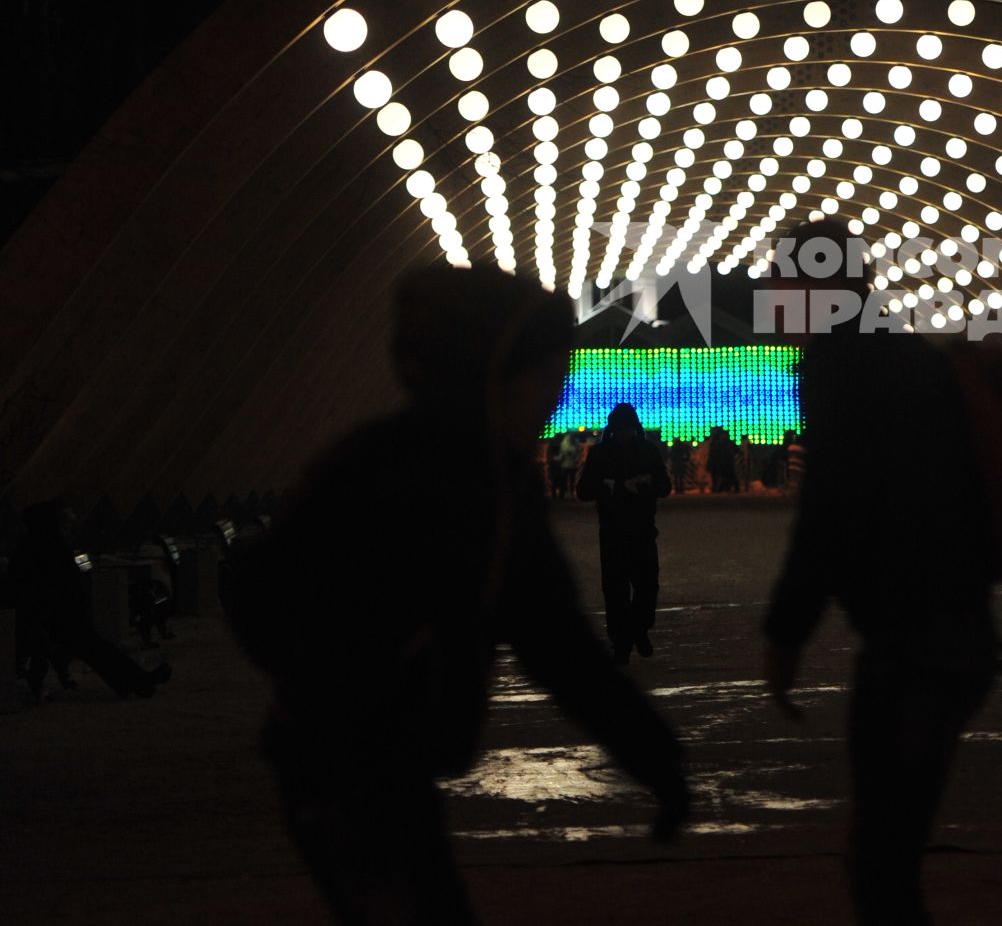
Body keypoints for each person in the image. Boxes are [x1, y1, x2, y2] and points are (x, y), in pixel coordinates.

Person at [229, 264, 689, 925]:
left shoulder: (443, 467)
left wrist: (652, 755)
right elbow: (553, 641)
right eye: (548, 378)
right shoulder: (438, 477)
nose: (555, 399)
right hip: (347, 765)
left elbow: (552, 638)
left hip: (366, 761)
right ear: (494, 374)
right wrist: (360, 676)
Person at [761, 219, 999, 926]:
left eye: (783, 278)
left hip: (920, 640)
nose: (773, 293)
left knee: (880, 858)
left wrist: (784, 633)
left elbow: (830, 509)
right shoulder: (904, 355)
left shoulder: (845, 364)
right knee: (886, 850)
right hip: (949, 630)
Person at [11, 501, 173, 699]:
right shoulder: (51, 547)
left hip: (52, 614)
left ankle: (136, 682)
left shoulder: (34, 547)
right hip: (54, 615)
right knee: (96, 649)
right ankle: (138, 682)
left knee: (96, 649)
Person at [577, 403, 668, 662]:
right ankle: (623, 644)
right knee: (617, 591)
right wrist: (616, 486)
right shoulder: (601, 454)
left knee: (646, 588)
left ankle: (636, 631)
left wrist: (641, 485)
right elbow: (583, 490)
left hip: (639, 532)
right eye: (621, 430)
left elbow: (664, 486)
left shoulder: (647, 452)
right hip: (615, 533)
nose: (624, 434)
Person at [707, 425, 739, 493]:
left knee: (723, 476)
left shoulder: (717, 443)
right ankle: (725, 488)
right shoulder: (727, 443)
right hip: (725, 462)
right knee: (728, 476)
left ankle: (719, 489)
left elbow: (712, 454)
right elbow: (737, 451)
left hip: (721, 463)